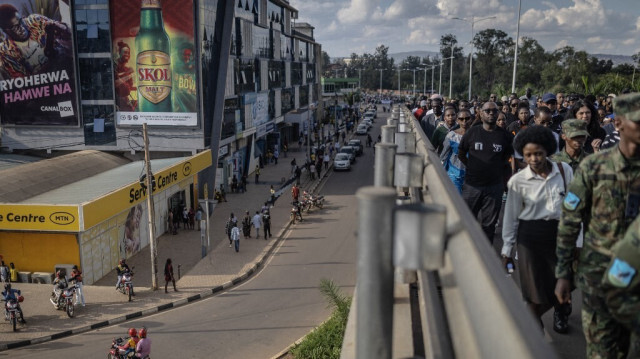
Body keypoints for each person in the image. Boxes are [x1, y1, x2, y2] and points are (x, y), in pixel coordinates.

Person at [555, 93, 640, 358]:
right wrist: (563, 273)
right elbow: (570, 220)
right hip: (600, 275)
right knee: (603, 351)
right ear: (619, 125)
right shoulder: (593, 167)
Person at [501, 126, 573, 333]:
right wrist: (507, 250)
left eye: (538, 153)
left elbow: (575, 209)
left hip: (560, 235)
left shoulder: (564, 171)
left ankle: (541, 318)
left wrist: (578, 241)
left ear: (548, 151)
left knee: (566, 283)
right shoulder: (518, 181)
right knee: (534, 293)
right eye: (528, 155)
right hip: (530, 239)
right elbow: (511, 217)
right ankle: (532, 333)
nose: (533, 159)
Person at [458, 101, 514, 243]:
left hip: (494, 188)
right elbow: (461, 153)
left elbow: (508, 157)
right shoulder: (472, 132)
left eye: (494, 111)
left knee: (488, 226)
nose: (491, 113)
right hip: (472, 187)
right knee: (467, 222)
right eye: (487, 111)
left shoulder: (505, 136)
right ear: (481, 113)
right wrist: (471, 167)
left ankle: (485, 257)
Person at [0, 4, 72, 79]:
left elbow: (66, 33)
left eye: (21, 21)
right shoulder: (6, 52)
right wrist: (52, 62)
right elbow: (24, 82)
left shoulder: (34, 20)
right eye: (15, 28)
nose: (21, 28)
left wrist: (62, 27)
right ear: (6, 31)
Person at [440, 109, 472, 193]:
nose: (464, 121)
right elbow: (444, 155)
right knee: (457, 199)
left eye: (467, 118)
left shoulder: (476, 135)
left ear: (471, 119)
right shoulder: (451, 135)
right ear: (457, 120)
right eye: (461, 119)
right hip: (454, 173)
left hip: (471, 175)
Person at [114, 41, 137, 111]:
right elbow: (114, 83)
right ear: (119, 53)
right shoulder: (115, 66)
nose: (127, 54)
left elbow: (128, 89)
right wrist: (129, 76)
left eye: (128, 53)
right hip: (118, 102)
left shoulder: (127, 69)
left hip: (126, 101)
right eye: (125, 52)